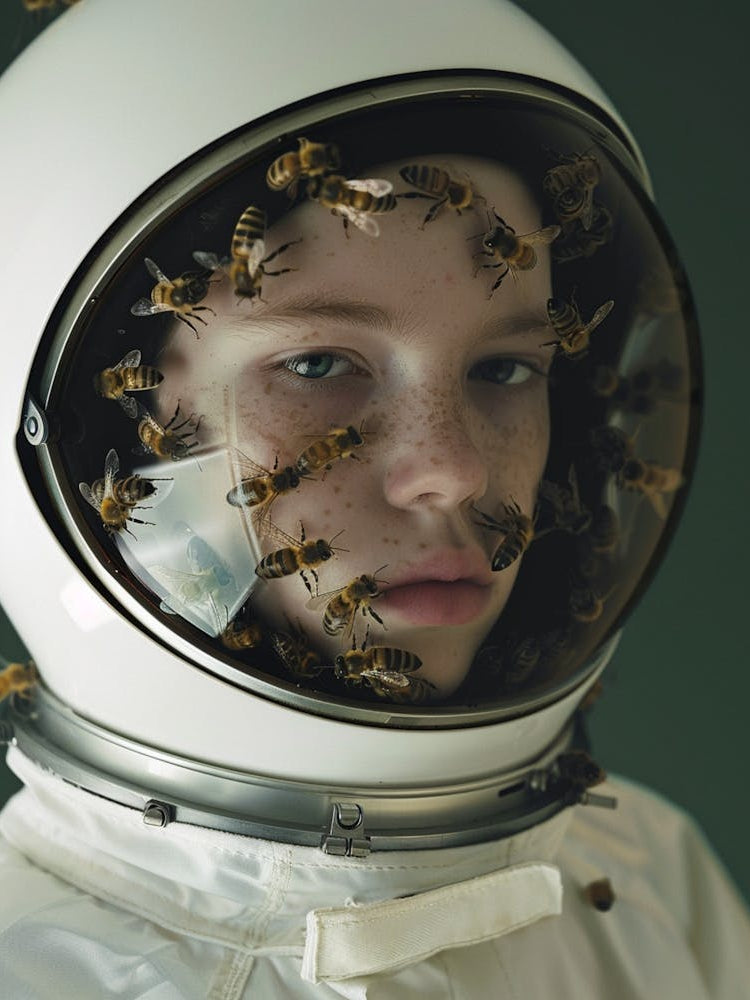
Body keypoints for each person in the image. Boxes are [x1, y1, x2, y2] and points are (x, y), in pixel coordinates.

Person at [0, 1, 747, 997]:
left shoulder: (655, 883)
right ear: (110, 422)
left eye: (508, 369)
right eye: (316, 362)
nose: (452, 470)